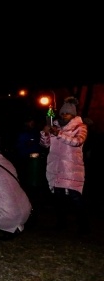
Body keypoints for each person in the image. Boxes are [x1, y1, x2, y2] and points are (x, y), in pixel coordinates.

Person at [40, 97, 88, 234]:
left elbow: (77, 142)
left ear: (73, 114)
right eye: (62, 113)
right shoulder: (55, 125)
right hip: (56, 167)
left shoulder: (81, 127)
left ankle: (83, 225)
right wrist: (45, 133)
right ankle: (61, 223)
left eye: (67, 113)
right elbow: (45, 145)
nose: (64, 115)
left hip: (72, 168)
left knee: (75, 197)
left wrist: (58, 134)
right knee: (58, 197)